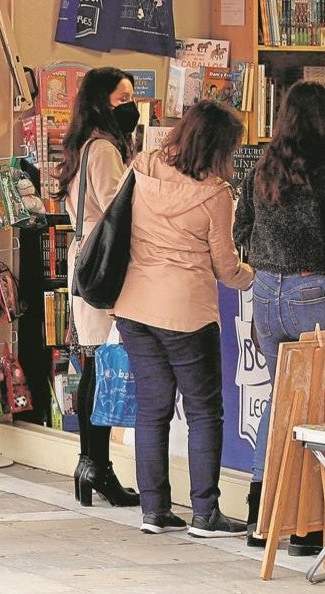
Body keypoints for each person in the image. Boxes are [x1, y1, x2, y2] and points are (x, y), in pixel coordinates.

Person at [233, 81, 325, 556]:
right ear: (320, 119)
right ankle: (312, 526)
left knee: (282, 406)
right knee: (321, 411)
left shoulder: (263, 165)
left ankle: (265, 513)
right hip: (317, 292)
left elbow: (242, 229)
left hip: (268, 294)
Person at [113, 101, 253, 538]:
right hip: (186, 312)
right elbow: (226, 267)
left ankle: (153, 510)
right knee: (204, 412)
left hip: (134, 304)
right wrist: (255, 276)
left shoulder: (142, 166)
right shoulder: (215, 193)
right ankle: (205, 513)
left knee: (152, 410)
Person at [52, 66, 140, 508]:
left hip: (85, 258)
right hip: (103, 263)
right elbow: (115, 210)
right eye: (122, 99)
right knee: (100, 365)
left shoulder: (83, 146)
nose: (131, 106)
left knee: (93, 363)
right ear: (103, 102)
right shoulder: (104, 150)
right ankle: (96, 464)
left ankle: (92, 464)